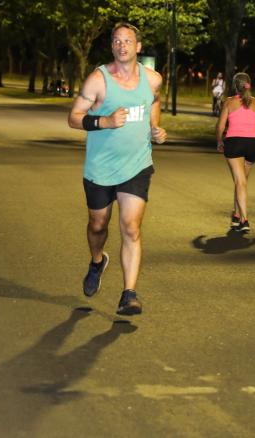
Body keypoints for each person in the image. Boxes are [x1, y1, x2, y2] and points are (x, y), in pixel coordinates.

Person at [68, 22, 167, 316]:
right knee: (98, 225)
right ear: (112, 47)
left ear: (138, 47)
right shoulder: (98, 80)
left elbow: (155, 101)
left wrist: (154, 128)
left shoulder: (152, 80)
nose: (122, 45)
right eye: (117, 41)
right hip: (100, 167)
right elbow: (74, 118)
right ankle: (97, 260)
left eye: (128, 41)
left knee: (130, 228)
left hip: (137, 166)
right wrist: (104, 122)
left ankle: (129, 294)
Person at [216, 72, 255, 233]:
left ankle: (244, 219)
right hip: (253, 145)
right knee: (242, 181)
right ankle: (236, 215)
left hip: (235, 143)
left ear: (234, 86)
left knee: (240, 182)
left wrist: (219, 140)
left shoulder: (229, 102)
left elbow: (220, 126)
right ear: (249, 84)